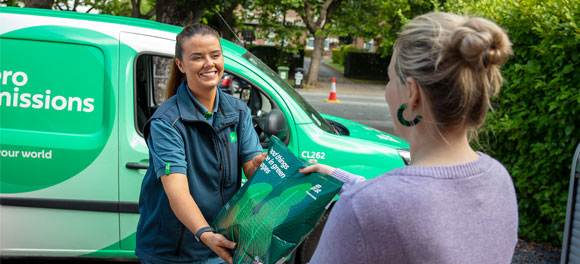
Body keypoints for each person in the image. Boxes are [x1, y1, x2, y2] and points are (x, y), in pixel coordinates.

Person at [300, 12, 518, 263]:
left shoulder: (363, 207)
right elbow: (412, 205)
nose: (387, 90)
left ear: (413, 94)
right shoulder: (499, 179)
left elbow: (386, 205)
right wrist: (337, 176)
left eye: (391, 78)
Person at [135, 24, 267, 264]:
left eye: (215, 55)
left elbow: (251, 166)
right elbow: (177, 192)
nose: (209, 63)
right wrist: (205, 233)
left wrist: (262, 167)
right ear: (181, 65)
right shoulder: (167, 122)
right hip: (173, 252)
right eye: (197, 57)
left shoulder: (238, 112)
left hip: (222, 242)